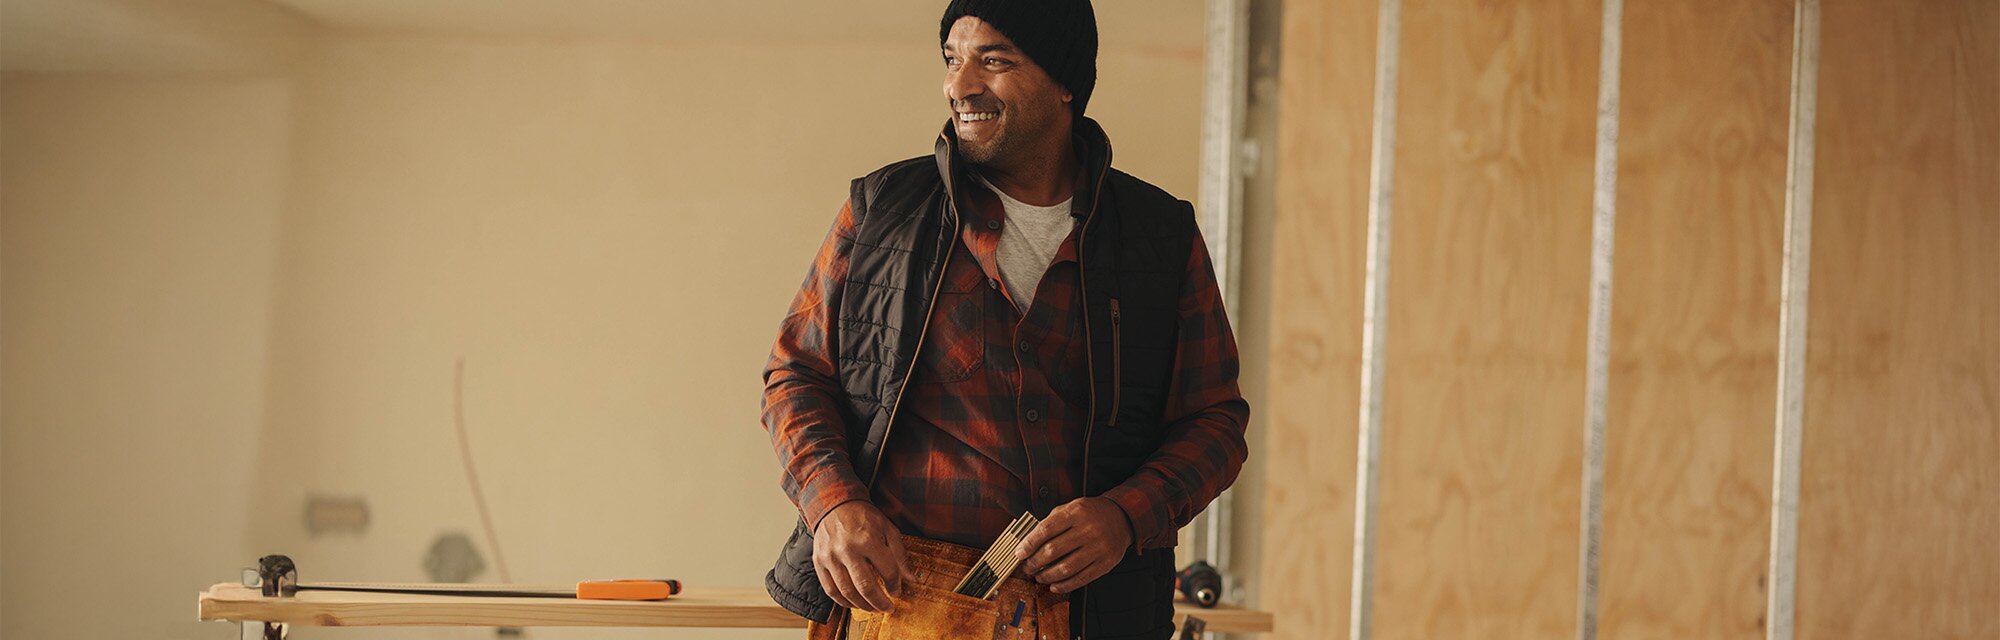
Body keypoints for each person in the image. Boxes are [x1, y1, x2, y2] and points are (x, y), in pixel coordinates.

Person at [760, 1, 1248, 637]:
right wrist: (833, 504)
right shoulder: (882, 211)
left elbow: (1215, 421)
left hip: (1091, 615)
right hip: (902, 610)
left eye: (994, 61)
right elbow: (794, 377)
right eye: (953, 60)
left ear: (1066, 82)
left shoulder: (1159, 234)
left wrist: (1127, 516)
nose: (960, 86)